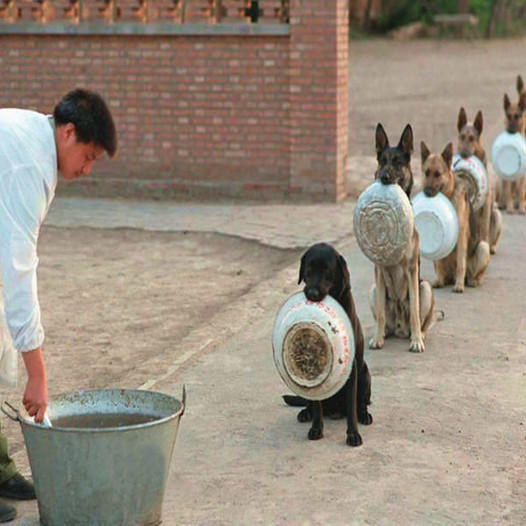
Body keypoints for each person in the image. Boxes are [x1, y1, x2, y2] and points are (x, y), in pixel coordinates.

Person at [0, 89, 117, 522]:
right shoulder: (30, 164)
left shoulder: (37, 141)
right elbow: (18, 270)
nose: (87, 170)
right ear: (68, 132)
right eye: (87, 156)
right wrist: (38, 376)